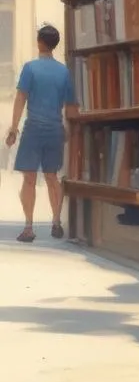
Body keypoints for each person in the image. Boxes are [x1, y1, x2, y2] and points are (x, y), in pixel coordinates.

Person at [6, 24, 76, 242]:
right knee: (52, 177)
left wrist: (14, 127)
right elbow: (71, 106)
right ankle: (56, 221)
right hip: (55, 128)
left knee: (29, 178)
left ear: (39, 42)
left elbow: (20, 98)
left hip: (34, 128)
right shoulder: (64, 71)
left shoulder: (30, 68)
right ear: (54, 45)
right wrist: (67, 130)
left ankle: (28, 227)